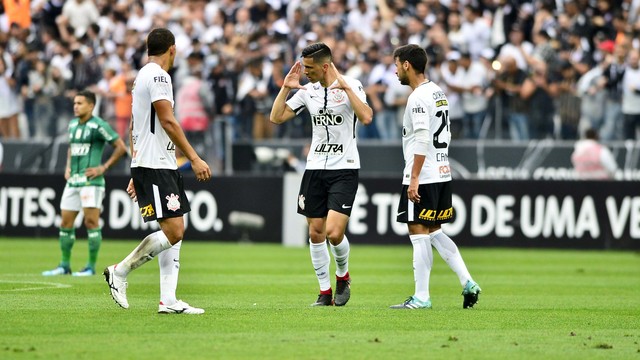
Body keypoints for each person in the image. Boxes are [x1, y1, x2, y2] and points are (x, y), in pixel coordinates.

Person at [103, 28, 212, 314]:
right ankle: (120, 270)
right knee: (174, 230)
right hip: (156, 164)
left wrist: (135, 165)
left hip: (153, 162)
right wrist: (195, 158)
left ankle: (169, 300)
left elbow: (134, 126)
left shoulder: (141, 75)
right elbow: (168, 121)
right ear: (172, 50)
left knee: (174, 227)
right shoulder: (160, 76)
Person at [270, 42, 373, 306]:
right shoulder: (307, 91)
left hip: (345, 167)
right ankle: (324, 292)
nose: (305, 72)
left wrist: (347, 88)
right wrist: (285, 88)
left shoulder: (351, 84)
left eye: (309, 68)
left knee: (334, 232)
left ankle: (343, 275)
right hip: (315, 167)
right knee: (316, 233)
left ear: (325, 66)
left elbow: (367, 117)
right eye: (303, 67)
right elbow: (276, 117)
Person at [389, 44, 481, 310]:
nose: (395, 71)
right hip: (442, 172)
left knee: (417, 232)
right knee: (435, 231)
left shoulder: (417, 97)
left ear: (407, 65)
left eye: (396, 65)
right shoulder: (438, 91)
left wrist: (414, 177)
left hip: (424, 174)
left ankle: (421, 297)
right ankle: (467, 282)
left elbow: (422, 138)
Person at [42, 90, 127, 276]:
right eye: (74, 103)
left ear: (91, 106)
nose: (75, 106)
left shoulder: (99, 126)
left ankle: (90, 266)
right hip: (73, 181)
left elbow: (121, 147)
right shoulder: (72, 124)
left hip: (91, 182)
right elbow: (72, 148)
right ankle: (64, 265)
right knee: (65, 223)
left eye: (80, 103)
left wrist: (103, 168)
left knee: (90, 222)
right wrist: (67, 167)